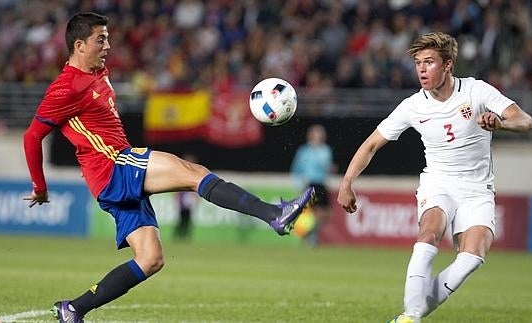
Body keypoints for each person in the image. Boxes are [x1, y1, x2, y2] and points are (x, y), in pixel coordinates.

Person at [22, 12, 314, 323]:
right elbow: (32, 137)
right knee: (195, 174)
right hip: (114, 166)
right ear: (79, 45)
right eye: (101, 39)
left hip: (109, 178)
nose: (108, 45)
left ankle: (74, 309)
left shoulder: (99, 72)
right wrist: (40, 188)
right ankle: (274, 214)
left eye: (107, 38)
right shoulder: (65, 87)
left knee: (150, 259)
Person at [337, 31, 532, 323]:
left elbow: (525, 120)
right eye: (418, 63)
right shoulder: (413, 106)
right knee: (430, 231)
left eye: (429, 62)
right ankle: (411, 316)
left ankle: (410, 313)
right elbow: (371, 144)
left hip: (478, 189)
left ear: (449, 65)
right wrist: (346, 183)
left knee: (472, 257)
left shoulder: (477, 91)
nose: (422, 70)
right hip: (438, 182)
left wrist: (501, 123)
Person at [290, 124, 334, 246]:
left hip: (321, 183)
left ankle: (312, 233)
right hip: (309, 184)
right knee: (311, 212)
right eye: (317, 133)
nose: (320, 136)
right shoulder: (304, 151)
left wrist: (330, 169)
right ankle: (310, 236)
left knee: (326, 214)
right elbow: (296, 168)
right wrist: (298, 184)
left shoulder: (326, 150)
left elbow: (327, 167)